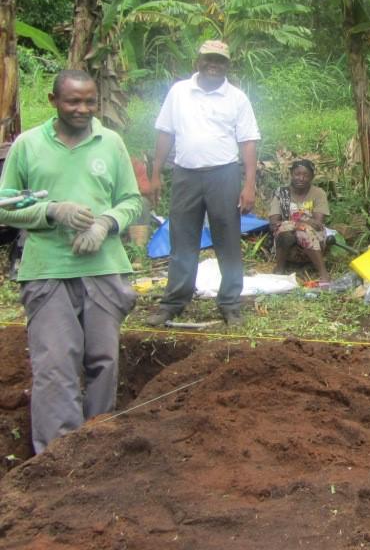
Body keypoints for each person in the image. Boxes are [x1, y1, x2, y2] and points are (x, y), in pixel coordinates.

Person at [0, 69, 142, 453]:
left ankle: (96, 447)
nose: (83, 109)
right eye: (73, 101)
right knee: (56, 368)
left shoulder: (110, 143)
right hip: (48, 271)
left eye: (89, 101)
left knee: (104, 362)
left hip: (104, 269)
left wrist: (104, 225)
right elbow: (5, 205)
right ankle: (58, 458)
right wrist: (51, 211)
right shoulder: (27, 145)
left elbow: (132, 200)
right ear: (53, 101)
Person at [145, 40, 260, 327]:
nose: (213, 65)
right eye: (208, 59)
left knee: (228, 239)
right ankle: (174, 302)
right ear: (198, 61)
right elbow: (165, 133)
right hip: (186, 174)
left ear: (227, 65)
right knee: (182, 238)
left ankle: (230, 303)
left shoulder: (236, 98)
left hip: (224, 174)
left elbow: (248, 142)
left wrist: (249, 184)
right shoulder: (179, 92)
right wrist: (156, 173)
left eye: (220, 61)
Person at [268, 159, 331, 283]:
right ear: (291, 174)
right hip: (288, 246)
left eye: (306, 175)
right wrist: (299, 223)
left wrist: (297, 224)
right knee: (285, 231)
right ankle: (280, 268)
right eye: (297, 174)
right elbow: (274, 225)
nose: (301, 178)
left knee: (302, 230)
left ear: (312, 177)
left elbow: (317, 224)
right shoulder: (282, 193)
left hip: (314, 243)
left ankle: (323, 273)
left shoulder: (318, 193)